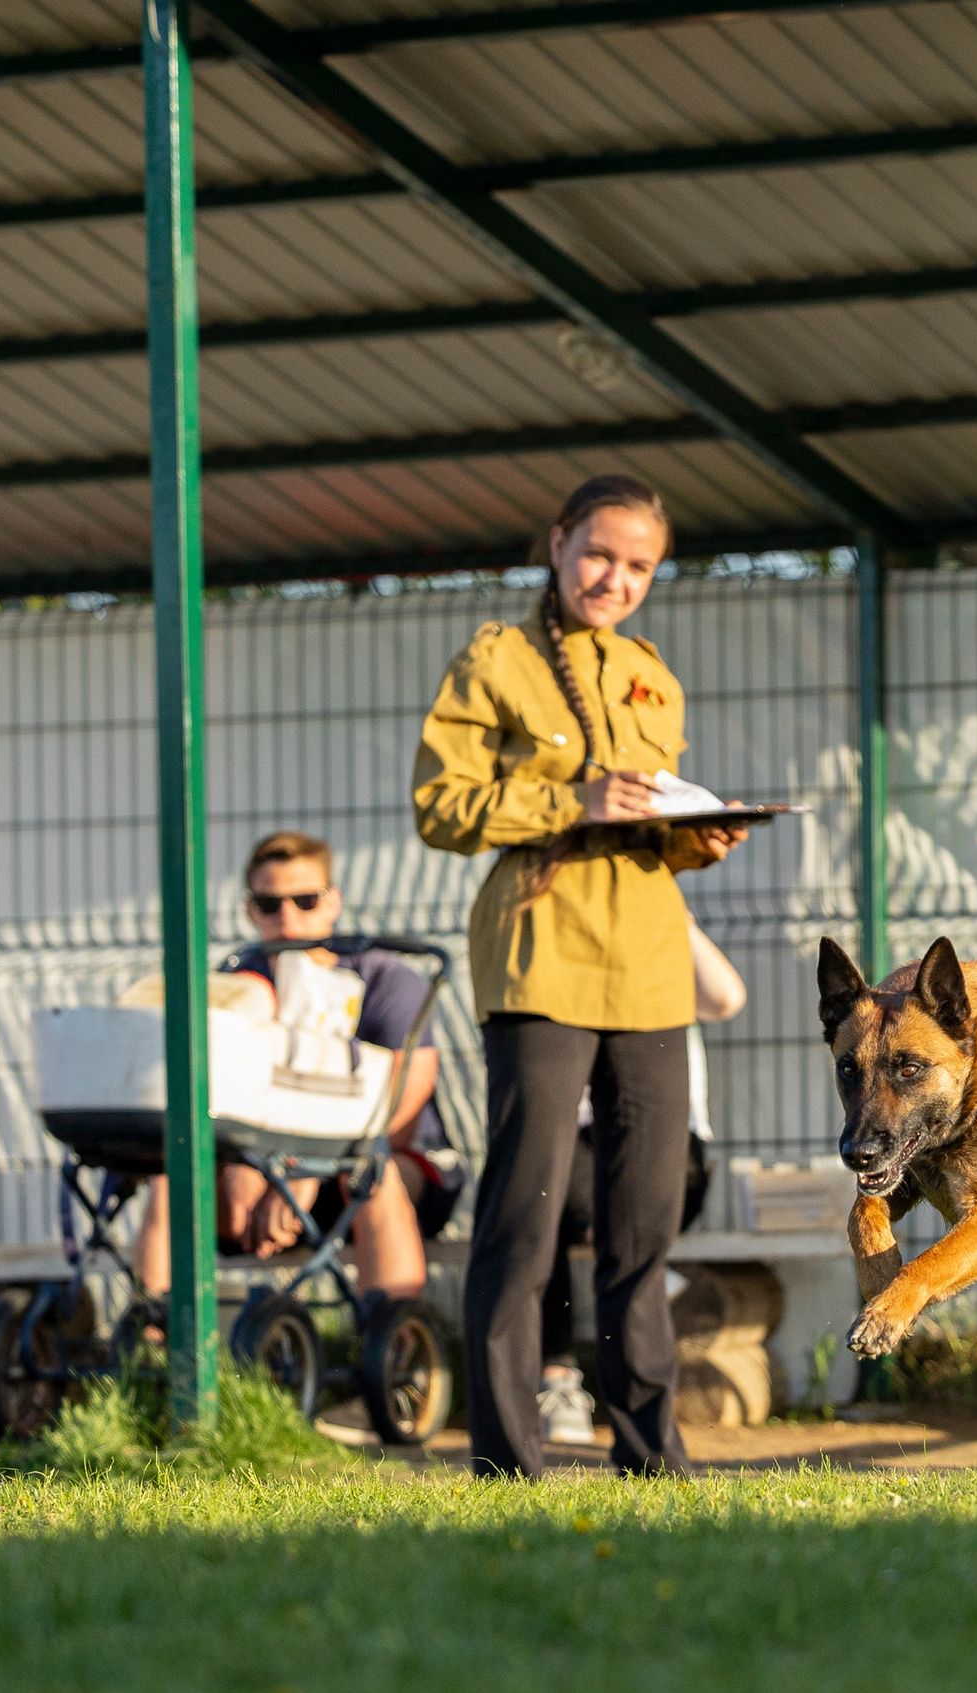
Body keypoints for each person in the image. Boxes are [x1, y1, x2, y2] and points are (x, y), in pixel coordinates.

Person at [413, 473, 748, 1478]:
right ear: (558, 543)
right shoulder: (497, 660)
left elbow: (645, 827)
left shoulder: (653, 674)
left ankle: (652, 1451)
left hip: (650, 966)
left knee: (643, 1223)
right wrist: (570, 796)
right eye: (599, 553)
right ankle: (508, 1456)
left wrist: (702, 837)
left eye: (638, 564)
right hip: (541, 960)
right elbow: (441, 806)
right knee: (523, 1216)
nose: (615, 578)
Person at [131, 831, 453, 1308]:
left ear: (333, 902)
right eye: (269, 904)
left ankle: (396, 1345)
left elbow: (403, 1108)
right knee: (171, 1173)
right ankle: (157, 1336)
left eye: (305, 900)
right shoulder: (236, 983)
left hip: (370, 1166)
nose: (288, 919)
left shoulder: (385, 979)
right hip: (264, 1172)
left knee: (370, 1172)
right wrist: (244, 1162)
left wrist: (308, 1165)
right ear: (249, 910)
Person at [539, 919, 747, 1448]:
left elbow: (724, 997)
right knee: (544, 1195)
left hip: (672, 1146)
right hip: (581, 1149)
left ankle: (637, 1410)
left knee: (599, 1204)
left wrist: (668, 913)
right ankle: (556, 1378)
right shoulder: (560, 951)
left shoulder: (657, 939)